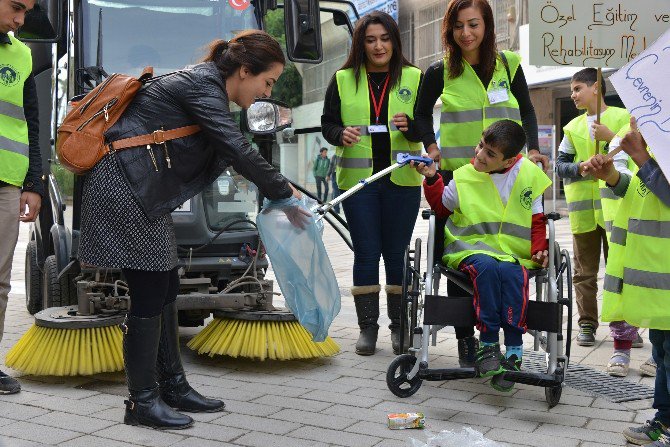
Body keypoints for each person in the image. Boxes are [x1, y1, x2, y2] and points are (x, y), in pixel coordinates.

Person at [78, 30, 308, 430]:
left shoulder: (207, 87)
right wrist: (280, 192)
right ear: (243, 70)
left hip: (141, 189)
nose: (266, 93)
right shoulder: (203, 85)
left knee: (166, 283)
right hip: (125, 186)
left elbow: (229, 148)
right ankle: (141, 403)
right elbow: (234, 146)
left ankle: (172, 386)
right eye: (267, 82)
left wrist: (277, 188)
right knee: (150, 289)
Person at [413, 0, 547, 368]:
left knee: (501, 260)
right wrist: (432, 147)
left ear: (487, 25)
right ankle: (467, 340)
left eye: (473, 24)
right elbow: (421, 113)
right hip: (462, 173)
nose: (466, 33)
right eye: (458, 26)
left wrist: (533, 149)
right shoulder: (441, 70)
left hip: (507, 171)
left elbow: (528, 108)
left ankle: (507, 332)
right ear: (449, 29)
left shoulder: (509, 65)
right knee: (452, 267)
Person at [414, 119, 551, 392]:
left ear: (510, 159)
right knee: (489, 269)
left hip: (512, 254)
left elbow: (537, 219)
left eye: (490, 153)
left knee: (514, 274)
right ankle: (488, 343)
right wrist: (431, 178)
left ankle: (513, 351)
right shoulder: (464, 174)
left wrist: (539, 249)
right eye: (481, 146)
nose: (479, 155)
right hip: (469, 249)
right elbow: (441, 208)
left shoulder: (529, 176)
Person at [321, 10, 423, 356]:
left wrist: (412, 125)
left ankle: (399, 328)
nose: (378, 46)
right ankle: (368, 329)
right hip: (359, 183)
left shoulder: (415, 76)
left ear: (394, 41)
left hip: (403, 181)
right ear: (360, 44)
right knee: (366, 253)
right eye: (370, 40)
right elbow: (327, 124)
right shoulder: (342, 78)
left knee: (396, 254)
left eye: (385, 38)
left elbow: (427, 128)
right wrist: (339, 133)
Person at [586, 119, 670, 446]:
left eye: (641, 121)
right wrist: (610, 176)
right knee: (663, 352)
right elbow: (640, 190)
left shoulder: (657, 156)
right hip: (659, 288)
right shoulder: (658, 155)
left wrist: (642, 160)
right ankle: (663, 420)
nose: (632, 128)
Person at [554, 68, 634, 356]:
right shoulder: (572, 128)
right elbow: (560, 166)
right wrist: (580, 167)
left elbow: (639, 151)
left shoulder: (624, 118)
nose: (573, 95)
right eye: (572, 90)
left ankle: (625, 325)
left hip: (617, 208)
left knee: (620, 270)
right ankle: (586, 323)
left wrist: (611, 135)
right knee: (584, 272)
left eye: (577, 88)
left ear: (596, 86)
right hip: (584, 213)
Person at [583, 121, 651, 377]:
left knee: (659, 296)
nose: (635, 120)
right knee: (622, 290)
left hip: (661, 237)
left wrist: (641, 157)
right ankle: (621, 349)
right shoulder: (624, 137)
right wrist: (609, 173)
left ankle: (658, 355)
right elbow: (624, 183)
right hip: (628, 229)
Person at [0, 0, 43, 395]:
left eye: (26, 12)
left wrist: (34, 182)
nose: (20, 20)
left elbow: (30, 117)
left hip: (7, 181)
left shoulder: (21, 54)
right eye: (16, 7)